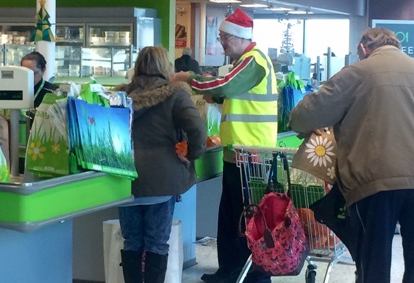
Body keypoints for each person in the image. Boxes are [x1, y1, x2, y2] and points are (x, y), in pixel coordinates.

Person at [289, 27, 414, 283]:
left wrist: (306, 125)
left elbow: (304, 115)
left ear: (365, 48)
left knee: (373, 261)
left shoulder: (358, 72)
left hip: (375, 182)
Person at [173, 8, 278, 283]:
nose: (221, 42)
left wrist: (189, 80)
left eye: (224, 37)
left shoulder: (253, 61)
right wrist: (218, 100)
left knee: (249, 218)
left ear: (239, 36)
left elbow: (226, 85)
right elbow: (235, 96)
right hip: (237, 153)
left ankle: (254, 274)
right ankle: (230, 271)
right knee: (231, 217)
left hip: (253, 153)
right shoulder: (244, 61)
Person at [117, 46, 206, 283]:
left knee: (131, 241)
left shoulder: (120, 97)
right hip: (162, 181)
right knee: (157, 242)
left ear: (138, 67)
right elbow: (197, 128)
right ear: (166, 67)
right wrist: (192, 153)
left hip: (124, 179)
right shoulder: (175, 94)